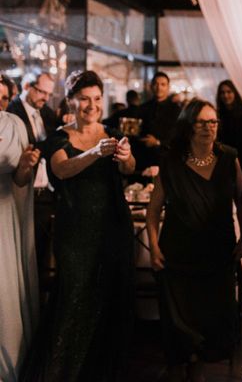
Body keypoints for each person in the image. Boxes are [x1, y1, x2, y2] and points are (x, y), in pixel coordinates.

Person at [22, 70, 135, 381]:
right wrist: (95, 152)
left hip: (112, 227)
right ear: (71, 101)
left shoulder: (112, 132)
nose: (91, 105)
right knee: (71, 299)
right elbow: (62, 169)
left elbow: (130, 167)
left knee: (107, 300)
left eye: (97, 99)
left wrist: (125, 157)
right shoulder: (58, 137)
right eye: (84, 99)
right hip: (75, 232)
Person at [146, 98, 242, 381]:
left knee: (213, 318)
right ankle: (185, 367)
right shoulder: (170, 161)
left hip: (217, 252)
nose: (208, 127)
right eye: (201, 122)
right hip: (178, 253)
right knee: (180, 321)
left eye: (213, 121)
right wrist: (154, 246)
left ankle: (198, 368)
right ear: (188, 126)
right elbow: (153, 209)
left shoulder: (229, 157)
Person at [0, 77, 40, 382]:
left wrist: (26, 165)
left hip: (4, 215)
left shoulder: (14, 124)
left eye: (3, 97)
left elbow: (20, 181)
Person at [7, 70, 57, 281]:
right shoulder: (12, 112)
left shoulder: (47, 113)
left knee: (44, 254)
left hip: (47, 192)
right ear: (27, 86)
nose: (45, 98)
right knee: (24, 254)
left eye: (49, 94)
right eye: (41, 92)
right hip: (21, 190)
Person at [137, 72, 181, 169]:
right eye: (156, 84)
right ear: (151, 86)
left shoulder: (176, 110)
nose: (159, 87)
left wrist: (157, 142)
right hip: (144, 158)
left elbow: (178, 136)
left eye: (163, 84)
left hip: (167, 159)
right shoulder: (142, 108)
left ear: (168, 87)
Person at [215, 80, 242, 148]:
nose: (225, 95)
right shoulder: (217, 114)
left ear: (235, 93)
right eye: (222, 92)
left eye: (229, 92)